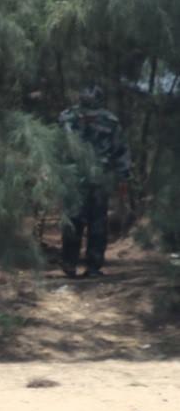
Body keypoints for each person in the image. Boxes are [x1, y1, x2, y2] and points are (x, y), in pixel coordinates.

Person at [58, 85, 132, 278]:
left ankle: (88, 266)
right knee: (77, 221)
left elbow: (120, 149)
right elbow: (57, 145)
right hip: (77, 178)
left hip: (96, 179)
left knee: (93, 223)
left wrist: (123, 176)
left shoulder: (108, 121)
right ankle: (75, 264)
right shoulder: (68, 117)